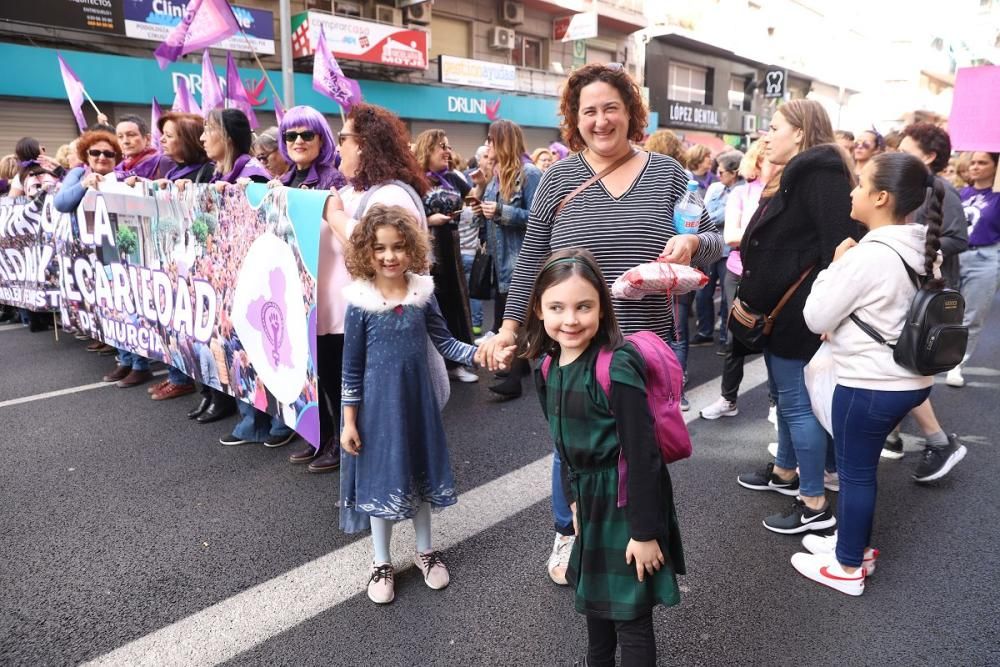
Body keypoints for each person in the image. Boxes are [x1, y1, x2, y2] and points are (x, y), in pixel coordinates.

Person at [476, 62, 721, 586]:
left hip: (642, 344)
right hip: (570, 343)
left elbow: (717, 238)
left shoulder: (671, 175)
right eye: (589, 110)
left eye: (612, 107)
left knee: (639, 445)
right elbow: (533, 260)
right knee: (573, 445)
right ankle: (569, 529)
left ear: (631, 112)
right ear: (574, 117)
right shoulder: (558, 178)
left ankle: (644, 530)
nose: (601, 120)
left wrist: (696, 242)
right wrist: (511, 327)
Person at [510, 248, 684, 666]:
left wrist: (645, 533)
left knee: (631, 618)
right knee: (595, 611)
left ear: (602, 309)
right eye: (557, 307)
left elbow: (643, 456)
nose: (570, 319)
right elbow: (562, 443)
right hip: (589, 502)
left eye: (583, 306)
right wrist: (572, 497)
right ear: (539, 308)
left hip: (625, 502)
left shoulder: (616, 365)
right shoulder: (549, 365)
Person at [793, 152, 945, 596]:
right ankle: (852, 546)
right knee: (861, 471)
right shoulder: (922, 245)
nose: (852, 191)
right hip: (909, 382)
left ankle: (847, 566)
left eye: (860, 184)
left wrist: (836, 264)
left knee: (857, 474)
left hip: (868, 385)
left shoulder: (868, 255)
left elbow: (816, 317)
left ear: (881, 197)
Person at [339, 204, 480, 605]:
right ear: (366, 251)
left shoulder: (422, 293)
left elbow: (447, 342)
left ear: (412, 248)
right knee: (381, 480)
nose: (389, 256)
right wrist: (349, 422)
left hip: (417, 406)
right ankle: (380, 561)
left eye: (398, 247)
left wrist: (480, 355)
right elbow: (350, 369)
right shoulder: (359, 303)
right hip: (376, 413)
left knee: (419, 476)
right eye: (380, 248)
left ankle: (425, 550)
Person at [735, 99, 860, 535]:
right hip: (783, 313)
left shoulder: (819, 176)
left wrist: (827, 313)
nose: (765, 136)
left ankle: (813, 503)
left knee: (796, 404)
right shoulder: (802, 173)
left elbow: (840, 248)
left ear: (801, 133)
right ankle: (786, 472)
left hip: (798, 316)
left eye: (773, 128)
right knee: (786, 400)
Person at [308, 103, 431, 474]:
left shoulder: (389, 196)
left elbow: (366, 242)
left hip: (376, 323)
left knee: (373, 405)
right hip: (344, 318)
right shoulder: (357, 191)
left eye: (342, 138)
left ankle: (381, 477)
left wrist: (332, 213)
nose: (337, 147)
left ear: (363, 145)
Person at [879, 122, 969, 479]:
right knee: (898, 361)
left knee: (904, 364)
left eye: (907, 148)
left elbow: (957, 239)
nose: (898, 153)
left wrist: (915, 249)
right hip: (905, 287)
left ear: (930, 156)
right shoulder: (907, 186)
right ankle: (895, 435)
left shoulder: (943, 191)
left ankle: (938, 440)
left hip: (924, 294)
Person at [52, 131, 152, 384]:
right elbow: (61, 203)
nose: (102, 157)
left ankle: (139, 364)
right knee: (109, 308)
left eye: (108, 153)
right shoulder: (78, 174)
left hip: (121, 252)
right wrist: (85, 184)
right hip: (90, 254)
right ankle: (124, 359)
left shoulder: (122, 176)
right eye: (95, 152)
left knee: (128, 307)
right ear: (86, 154)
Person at [700, 141, 778, 420]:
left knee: (776, 341)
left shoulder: (788, 194)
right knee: (735, 340)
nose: (776, 164)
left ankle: (775, 404)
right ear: (757, 163)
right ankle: (728, 399)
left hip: (777, 275)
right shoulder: (742, 193)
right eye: (768, 159)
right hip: (738, 271)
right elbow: (730, 236)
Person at [147, 112, 214, 401]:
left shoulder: (207, 174)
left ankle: (208, 389)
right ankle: (181, 375)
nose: (162, 139)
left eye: (170, 135)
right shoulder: (172, 173)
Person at [473, 119, 543, 399]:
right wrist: (482, 204)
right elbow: (490, 217)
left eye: (491, 140)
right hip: (500, 261)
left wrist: (503, 212)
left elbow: (540, 219)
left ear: (503, 142)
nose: (488, 146)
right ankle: (520, 366)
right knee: (510, 316)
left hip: (521, 261)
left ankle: (513, 377)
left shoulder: (529, 173)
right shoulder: (497, 174)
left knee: (512, 318)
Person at [414, 129, 477, 383]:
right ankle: (431, 365)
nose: (447, 151)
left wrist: (477, 201)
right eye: (442, 146)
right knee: (429, 308)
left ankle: (455, 363)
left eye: (448, 146)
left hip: (451, 251)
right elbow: (405, 216)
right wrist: (429, 220)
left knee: (455, 305)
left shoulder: (454, 177)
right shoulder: (413, 180)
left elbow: (471, 198)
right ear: (427, 148)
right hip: (426, 251)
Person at [947, 151, 1000, 389]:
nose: (976, 167)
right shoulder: (961, 193)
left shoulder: (998, 197)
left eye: (983, 162)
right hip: (956, 255)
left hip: (985, 258)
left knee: (972, 315)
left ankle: (956, 364)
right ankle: (936, 353)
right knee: (945, 309)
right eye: (974, 162)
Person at [692, 150, 744, 350]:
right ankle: (704, 332)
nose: (718, 175)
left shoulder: (741, 191)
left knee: (727, 297)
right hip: (710, 247)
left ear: (734, 172)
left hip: (729, 251)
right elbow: (703, 215)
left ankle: (724, 336)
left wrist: (718, 215)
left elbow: (716, 217)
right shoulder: (715, 188)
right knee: (703, 293)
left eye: (722, 172)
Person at [275, 106, 347, 191]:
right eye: (291, 136)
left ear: (321, 140)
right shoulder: (282, 180)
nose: (298, 141)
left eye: (307, 135)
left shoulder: (333, 180)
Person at [115, 114, 174, 181]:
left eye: (131, 135)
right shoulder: (119, 169)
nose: (125, 141)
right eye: (120, 137)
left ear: (148, 139)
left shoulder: (163, 162)